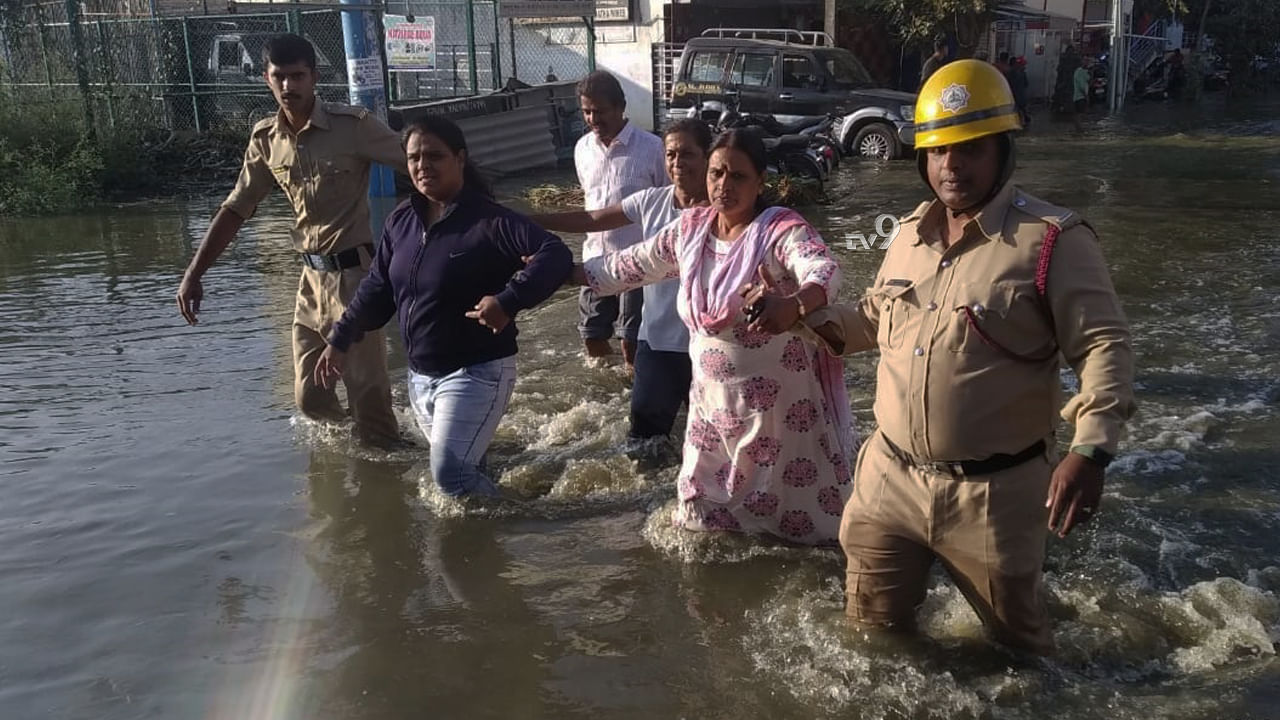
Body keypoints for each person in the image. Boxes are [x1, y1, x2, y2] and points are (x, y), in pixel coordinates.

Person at [779, 60, 1135, 653]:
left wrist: (1091, 452)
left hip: (994, 496)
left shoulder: (1052, 241)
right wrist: (798, 312)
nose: (952, 165)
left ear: (1002, 150)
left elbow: (1103, 345)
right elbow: (871, 320)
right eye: (939, 149)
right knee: (871, 644)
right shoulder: (908, 234)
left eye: (970, 148)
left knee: (1019, 657)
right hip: (888, 483)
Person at [572, 129, 858, 544]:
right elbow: (624, 268)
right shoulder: (689, 230)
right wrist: (554, 273)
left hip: (778, 416)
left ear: (761, 182)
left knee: (799, 534)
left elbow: (825, 272)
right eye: (717, 173)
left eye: (738, 177)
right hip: (711, 412)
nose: (724, 185)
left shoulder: (779, 230)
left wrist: (792, 304)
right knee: (699, 525)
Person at [314, 116, 572, 497]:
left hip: (477, 371)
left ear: (460, 159)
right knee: (468, 470)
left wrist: (507, 300)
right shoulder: (401, 221)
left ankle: (527, 528)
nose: (423, 166)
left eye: (435, 156)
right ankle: (480, 547)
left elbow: (555, 254)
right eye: (415, 158)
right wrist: (341, 337)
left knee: (450, 475)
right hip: (421, 378)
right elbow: (377, 286)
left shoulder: (489, 220)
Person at [176, 34, 407, 448]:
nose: (288, 87)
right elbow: (236, 209)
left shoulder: (353, 127)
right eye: (279, 77)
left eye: (297, 76)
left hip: (356, 279)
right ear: (266, 79)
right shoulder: (267, 140)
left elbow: (419, 164)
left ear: (314, 78)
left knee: (368, 402)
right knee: (311, 400)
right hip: (308, 283)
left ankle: (389, 464)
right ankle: (356, 458)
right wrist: (195, 273)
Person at [531, 119, 712, 458]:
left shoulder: (726, 214)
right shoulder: (651, 201)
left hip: (708, 347)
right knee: (644, 446)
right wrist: (531, 222)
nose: (677, 163)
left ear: (708, 157)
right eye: (671, 155)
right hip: (657, 341)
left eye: (687, 154)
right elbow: (593, 220)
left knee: (711, 444)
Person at [573, 70, 668, 369]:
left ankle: (632, 393)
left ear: (620, 107)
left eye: (599, 111)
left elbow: (668, 204)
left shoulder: (653, 148)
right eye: (586, 111)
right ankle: (608, 391)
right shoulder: (582, 149)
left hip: (638, 263)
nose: (592, 119)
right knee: (591, 336)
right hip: (595, 259)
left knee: (632, 343)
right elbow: (589, 200)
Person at [1073, 57, 1092, 130]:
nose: (1087, 63)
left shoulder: (1083, 72)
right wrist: (1086, 96)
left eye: (1088, 61)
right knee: (1080, 114)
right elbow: (1082, 86)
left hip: (1078, 96)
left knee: (1079, 114)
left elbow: (1089, 82)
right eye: (1085, 61)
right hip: (1080, 96)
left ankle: (1078, 128)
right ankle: (1079, 129)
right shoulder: (1080, 72)